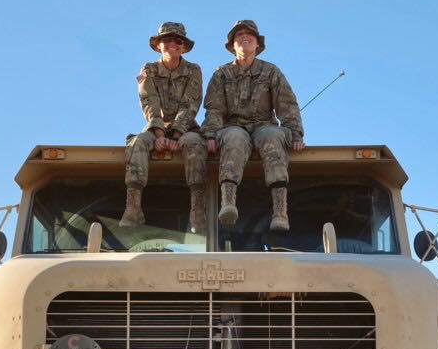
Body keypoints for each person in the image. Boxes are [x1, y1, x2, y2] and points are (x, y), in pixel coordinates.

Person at [201, 19, 305, 231]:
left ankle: (280, 212)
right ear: (232, 45)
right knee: (234, 138)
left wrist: (295, 134)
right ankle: (228, 203)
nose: (245, 37)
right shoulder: (221, 74)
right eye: (239, 35)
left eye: (250, 35)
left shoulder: (271, 72)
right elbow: (214, 108)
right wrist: (211, 134)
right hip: (233, 126)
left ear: (258, 44)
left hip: (264, 126)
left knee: (272, 137)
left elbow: (286, 104)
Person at [121, 22, 207, 233]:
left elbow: (191, 104)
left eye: (178, 41)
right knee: (137, 143)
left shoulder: (193, 71)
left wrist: (176, 135)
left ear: (184, 47)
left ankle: (197, 212)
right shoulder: (149, 70)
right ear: (158, 45)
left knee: (195, 145)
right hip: (156, 126)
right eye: (167, 39)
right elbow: (149, 102)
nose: (173, 44)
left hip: (185, 128)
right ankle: (133, 208)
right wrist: (159, 134)